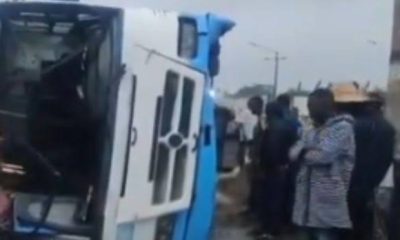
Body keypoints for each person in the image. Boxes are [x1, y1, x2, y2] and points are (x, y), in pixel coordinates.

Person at [290, 89, 355, 240]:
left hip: (327, 205)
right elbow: (292, 153)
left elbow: (322, 156)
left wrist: (304, 152)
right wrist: (305, 151)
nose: (310, 110)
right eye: (309, 106)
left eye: (313, 106)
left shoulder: (342, 128)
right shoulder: (311, 129)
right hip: (306, 205)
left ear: (328, 106)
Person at [346, 91, 395, 240]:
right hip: (374, 186)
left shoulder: (355, 124)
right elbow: (385, 160)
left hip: (351, 183)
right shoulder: (388, 128)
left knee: (349, 225)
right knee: (369, 227)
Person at [253, 101, 297, 239]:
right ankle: (272, 228)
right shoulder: (288, 126)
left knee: (271, 200)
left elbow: (271, 149)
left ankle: (270, 230)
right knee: (278, 200)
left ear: (270, 112)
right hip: (284, 167)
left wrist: (263, 166)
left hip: (273, 168)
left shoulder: (273, 127)